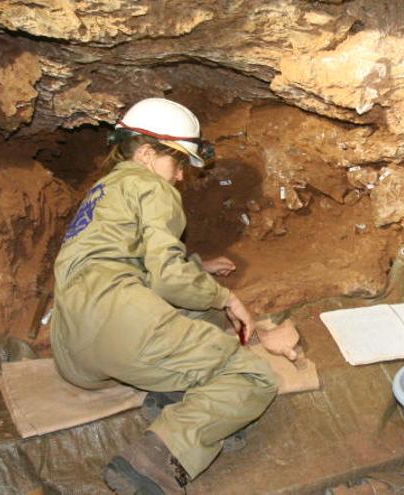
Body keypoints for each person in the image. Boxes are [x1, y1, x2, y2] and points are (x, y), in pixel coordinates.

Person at [50, 98, 279, 494]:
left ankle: (174, 390)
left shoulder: (104, 189)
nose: (177, 178)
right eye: (177, 164)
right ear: (145, 154)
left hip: (72, 345)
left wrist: (196, 264)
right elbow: (169, 278)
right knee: (252, 376)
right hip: (118, 321)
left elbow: (119, 255)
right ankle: (155, 462)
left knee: (189, 320)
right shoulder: (152, 186)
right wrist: (226, 298)